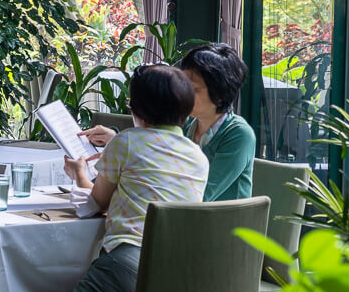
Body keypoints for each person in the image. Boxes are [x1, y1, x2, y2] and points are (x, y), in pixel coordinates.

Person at [12, 64, 208, 292]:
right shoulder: (198, 158)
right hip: (173, 285)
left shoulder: (126, 142)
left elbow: (98, 201)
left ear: (135, 108)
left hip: (123, 271)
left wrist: (81, 174)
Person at [81, 42, 255, 202]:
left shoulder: (238, 134)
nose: (182, 92)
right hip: (177, 220)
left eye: (192, 88)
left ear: (219, 94)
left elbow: (201, 196)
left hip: (222, 229)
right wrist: (115, 139)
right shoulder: (188, 124)